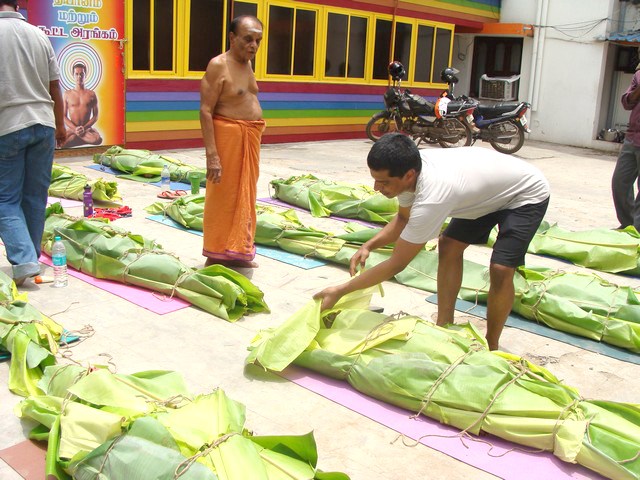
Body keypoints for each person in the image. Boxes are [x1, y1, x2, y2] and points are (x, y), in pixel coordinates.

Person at [314, 133, 550, 351]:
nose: (377, 188)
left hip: (524, 194)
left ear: (408, 175)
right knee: (449, 245)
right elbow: (403, 219)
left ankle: (492, 344)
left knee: (501, 268)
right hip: (487, 193)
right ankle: (444, 324)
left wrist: (340, 290)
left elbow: (397, 263)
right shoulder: (410, 172)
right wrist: (369, 245)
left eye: (383, 182)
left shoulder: (432, 197)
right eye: (375, 180)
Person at [0, 0, 66, 285]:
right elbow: (55, 85)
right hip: (44, 124)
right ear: (17, 6)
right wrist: (61, 124)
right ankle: (31, 257)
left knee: (5, 199)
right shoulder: (39, 35)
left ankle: (25, 260)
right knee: (35, 196)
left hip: (8, 125)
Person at [200, 15, 264, 268]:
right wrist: (212, 155)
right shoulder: (218, 65)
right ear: (232, 38)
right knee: (222, 197)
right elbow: (205, 110)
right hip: (227, 140)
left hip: (249, 138)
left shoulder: (247, 64)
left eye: (258, 40)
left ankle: (239, 251)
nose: (253, 45)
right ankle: (215, 254)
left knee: (245, 196)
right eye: (248, 39)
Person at [612, 64, 640, 230]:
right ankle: (628, 224)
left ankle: (637, 230)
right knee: (620, 182)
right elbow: (627, 103)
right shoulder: (638, 74)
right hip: (632, 136)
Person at [62, 63, 102, 147]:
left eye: (81, 74)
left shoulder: (91, 94)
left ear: (85, 75)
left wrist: (84, 128)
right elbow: (63, 116)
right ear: (73, 75)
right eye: (76, 74)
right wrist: (75, 129)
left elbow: (96, 116)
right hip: (72, 129)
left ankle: (76, 138)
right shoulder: (67, 94)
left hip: (86, 128)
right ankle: (80, 137)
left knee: (97, 139)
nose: (79, 76)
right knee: (59, 143)